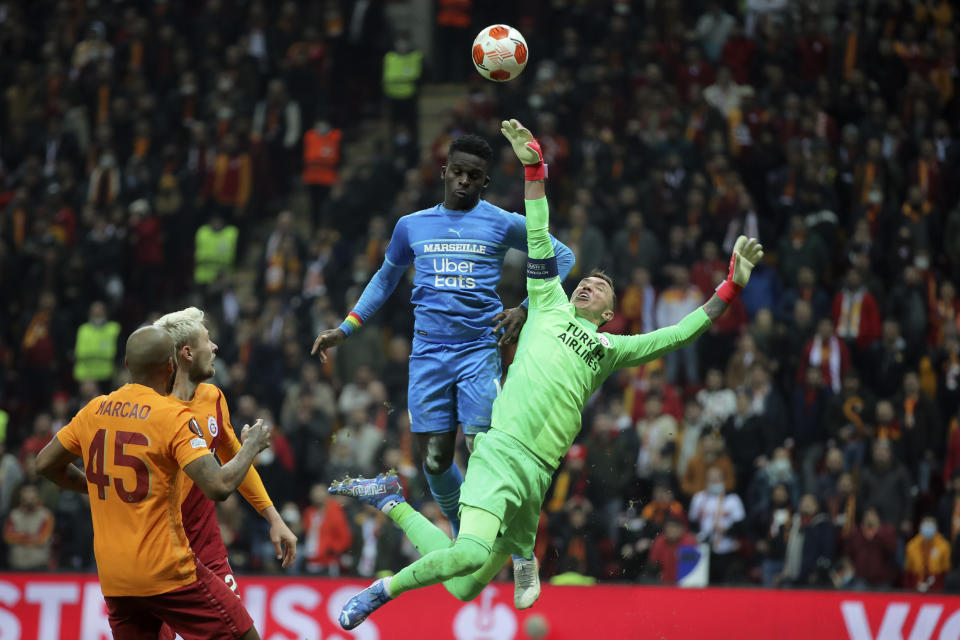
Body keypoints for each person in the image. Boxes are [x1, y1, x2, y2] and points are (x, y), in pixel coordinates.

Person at [328, 118, 764, 629]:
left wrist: (730, 288)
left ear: (608, 313)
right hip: (499, 449)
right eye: (584, 282)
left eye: (598, 289)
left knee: (465, 585)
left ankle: (397, 503)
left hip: (537, 473)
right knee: (468, 551)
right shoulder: (546, 301)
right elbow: (538, 230)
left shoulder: (610, 349)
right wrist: (534, 168)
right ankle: (386, 588)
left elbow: (679, 335)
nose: (586, 287)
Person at [311, 132, 575, 605]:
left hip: (479, 351)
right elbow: (385, 277)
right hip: (429, 355)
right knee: (434, 462)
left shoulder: (500, 222)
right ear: (445, 172)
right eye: (458, 172)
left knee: (482, 449)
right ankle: (463, 531)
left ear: (486, 181)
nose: (465, 181)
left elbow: (564, 256)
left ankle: (518, 552)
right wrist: (346, 328)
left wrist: (525, 308)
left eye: (475, 176)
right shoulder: (411, 226)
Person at [34, 326, 273, 639]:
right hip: (168, 572)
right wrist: (251, 447)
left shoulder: (94, 409)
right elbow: (218, 486)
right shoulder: (172, 417)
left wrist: (92, 484)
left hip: (116, 580)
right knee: (244, 635)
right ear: (171, 367)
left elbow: (44, 464)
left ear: (127, 365)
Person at [153, 308, 297, 624]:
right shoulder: (153, 410)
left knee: (236, 629)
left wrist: (273, 517)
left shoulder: (213, 397)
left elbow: (237, 460)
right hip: (160, 551)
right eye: (208, 339)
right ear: (187, 353)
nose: (216, 347)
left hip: (206, 547)